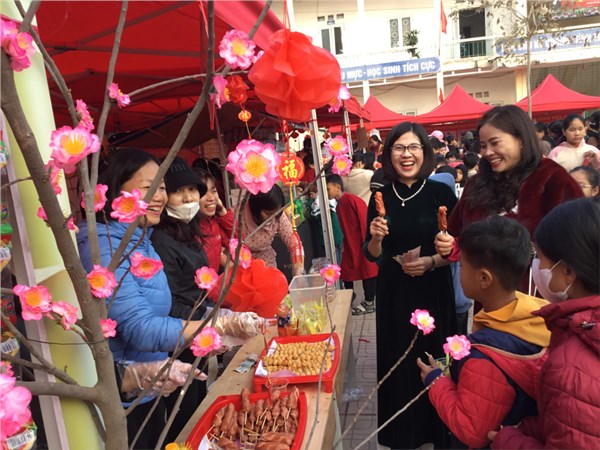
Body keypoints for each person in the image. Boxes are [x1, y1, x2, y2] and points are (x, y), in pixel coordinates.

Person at [77, 149, 206, 448]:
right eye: (149, 187)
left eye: (162, 187)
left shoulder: (142, 241)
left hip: (150, 385)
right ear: (115, 192)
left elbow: (159, 313)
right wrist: (211, 329)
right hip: (122, 394)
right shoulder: (104, 247)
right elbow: (139, 327)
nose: (159, 196)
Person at [417, 216, 550, 449]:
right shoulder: (538, 314)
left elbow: (472, 431)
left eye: (462, 266)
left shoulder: (484, 358)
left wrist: (436, 381)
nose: (460, 271)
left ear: (484, 279)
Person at [364, 121, 458, 449]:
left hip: (433, 291)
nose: (407, 154)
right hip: (395, 294)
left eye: (414, 147)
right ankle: (402, 435)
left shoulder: (441, 194)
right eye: (399, 148)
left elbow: (455, 250)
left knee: (435, 358)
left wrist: (431, 261)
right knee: (399, 363)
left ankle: (439, 431)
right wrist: (376, 238)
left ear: (425, 152)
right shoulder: (380, 196)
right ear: (389, 154)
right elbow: (372, 254)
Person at [490, 197, 600, 449]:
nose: (536, 266)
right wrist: (530, 427)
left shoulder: (570, 367)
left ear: (568, 271)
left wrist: (508, 441)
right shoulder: (578, 329)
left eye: (540, 257)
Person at [435, 105, 583, 277]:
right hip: (484, 289)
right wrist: (450, 245)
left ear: (521, 139)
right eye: (483, 145)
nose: (488, 152)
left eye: (495, 143)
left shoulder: (553, 180)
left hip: (538, 288)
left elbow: (577, 243)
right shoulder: (477, 184)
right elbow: (458, 235)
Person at [149, 157, 211, 442]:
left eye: (192, 189)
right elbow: (168, 301)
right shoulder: (161, 240)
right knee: (183, 414)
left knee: (198, 402)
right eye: (178, 191)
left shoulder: (188, 231)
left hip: (196, 332)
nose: (187, 198)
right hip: (178, 338)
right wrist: (207, 321)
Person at [326, 174, 378, 315]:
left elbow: (365, 220)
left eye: (328, 189)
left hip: (360, 242)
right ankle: (350, 295)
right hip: (349, 244)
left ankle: (369, 302)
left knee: (368, 270)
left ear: (338, 187)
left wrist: (367, 242)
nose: (327, 192)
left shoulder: (352, 199)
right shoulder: (339, 204)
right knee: (347, 272)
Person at [243, 184, 304, 276]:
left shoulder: (277, 215)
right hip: (241, 267)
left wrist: (298, 268)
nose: (273, 218)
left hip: (266, 262)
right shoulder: (237, 217)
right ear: (255, 208)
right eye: (268, 214)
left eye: (276, 213)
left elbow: (294, 242)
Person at [193, 168, 235, 272]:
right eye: (203, 193)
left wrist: (223, 211)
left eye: (213, 191)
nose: (211, 198)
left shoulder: (213, 222)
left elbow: (237, 241)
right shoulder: (188, 230)